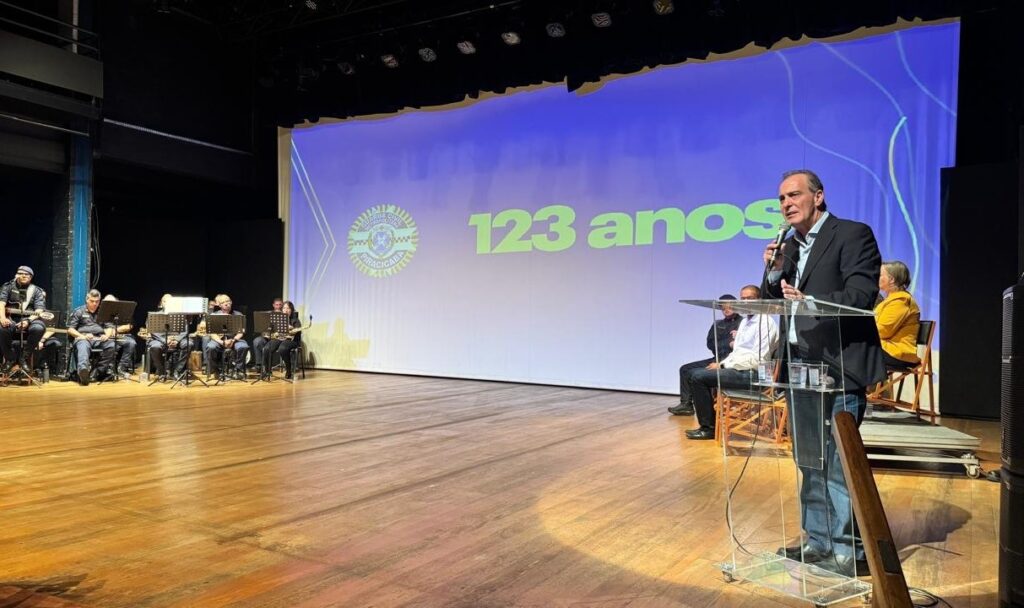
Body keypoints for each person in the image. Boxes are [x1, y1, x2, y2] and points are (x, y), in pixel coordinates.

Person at [763, 169, 885, 577]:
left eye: (793, 195)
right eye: (781, 199)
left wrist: (810, 299)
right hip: (800, 368)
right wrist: (774, 272)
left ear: (818, 196)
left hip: (838, 368)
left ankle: (850, 551)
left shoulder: (852, 234)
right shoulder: (790, 248)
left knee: (838, 464)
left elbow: (861, 296)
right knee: (809, 460)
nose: (786, 204)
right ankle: (817, 541)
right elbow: (772, 301)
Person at [684, 285, 778, 439]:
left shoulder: (765, 322)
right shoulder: (745, 322)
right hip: (738, 369)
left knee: (698, 377)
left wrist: (725, 365)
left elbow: (758, 359)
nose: (746, 302)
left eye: (750, 299)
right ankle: (708, 423)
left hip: (753, 374)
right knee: (692, 372)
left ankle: (708, 428)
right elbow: (737, 352)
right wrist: (721, 364)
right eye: (743, 299)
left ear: (759, 300)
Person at [669, 294, 741, 416]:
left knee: (697, 374)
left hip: (731, 361)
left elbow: (738, 345)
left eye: (729, 307)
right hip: (717, 357)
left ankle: (706, 411)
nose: (726, 310)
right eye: (723, 308)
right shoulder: (718, 324)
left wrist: (725, 344)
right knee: (685, 369)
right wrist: (727, 343)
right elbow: (710, 343)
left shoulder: (742, 323)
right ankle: (686, 404)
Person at [0, 266, 47, 373]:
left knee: (39, 328)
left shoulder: (36, 290)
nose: (24, 276)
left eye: (27, 274)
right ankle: (10, 358)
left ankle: (24, 358)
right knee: (2, 329)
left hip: (30, 319)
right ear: (17, 274)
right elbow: (1, 303)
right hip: (11, 319)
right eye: (22, 273)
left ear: (31, 277)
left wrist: (28, 321)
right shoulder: (8, 287)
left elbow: (39, 309)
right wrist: (2, 318)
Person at [874, 261, 920, 368]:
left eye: (880, 275)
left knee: (854, 350)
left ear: (892, 279)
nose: (876, 276)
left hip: (896, 352)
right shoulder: (891, 299)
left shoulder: (900, 300)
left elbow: (882, 332)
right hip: (886, 348)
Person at [67, 289, 116, 385]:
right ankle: (83, 372)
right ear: (87, 300)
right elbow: (70, 329)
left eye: (97, 301)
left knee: (111, 345)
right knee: (83, 345)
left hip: (98, 339)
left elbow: (109, 327)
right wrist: (82, 336)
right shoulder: (79, 311)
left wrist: (106, 335)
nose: (94, 304)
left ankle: (96, 372)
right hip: (83, 338)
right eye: (92, 301)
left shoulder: (103, 312)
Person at [203, 294, 249, 379]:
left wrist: (233, 340)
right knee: (210, 347)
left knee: (243, 346)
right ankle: (215, 370)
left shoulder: (238, 314)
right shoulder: (214, 315)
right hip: (219, 340)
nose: (226, 303)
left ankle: (238, 370)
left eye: (228, 301)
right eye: (223, 302)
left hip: (234, 339)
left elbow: (241, 332)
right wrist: (221, 342)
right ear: (219, 305)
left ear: (231, 302)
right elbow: (212, 333)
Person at [264, 300, 302, 379]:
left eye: (288, 308)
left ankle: (289, 370)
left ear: (291, 310)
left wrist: (291, 328)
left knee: (282, 348)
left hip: (292, 340)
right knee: (267, 348)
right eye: (284, 308)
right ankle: (267, 371)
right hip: (279, 338)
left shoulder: (295, 320)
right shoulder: (278, 320)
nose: (286, 310)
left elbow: (298, 331)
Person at [103, 294, 138, 378]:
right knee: (111, 344)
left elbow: (129, 326)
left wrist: (116, 330)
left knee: (131, 343)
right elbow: (98, 327)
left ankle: (121, 368)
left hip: (121, 336)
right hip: (107, 337)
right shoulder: (101, 312)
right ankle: (108, 368)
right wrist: (108, 332)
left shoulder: (123, 312)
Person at [252, 297, 286, 371]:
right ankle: (259, 365)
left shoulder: (285, 315)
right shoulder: (268, 314)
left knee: (269, 346)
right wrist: (264, 333)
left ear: (282, 305)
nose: (278, 306)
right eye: (276, 305)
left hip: (278, 339)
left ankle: (266, 366)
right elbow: (262, 327)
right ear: (273, 305)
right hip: (267, 337)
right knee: (257, 341)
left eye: (280, 305)